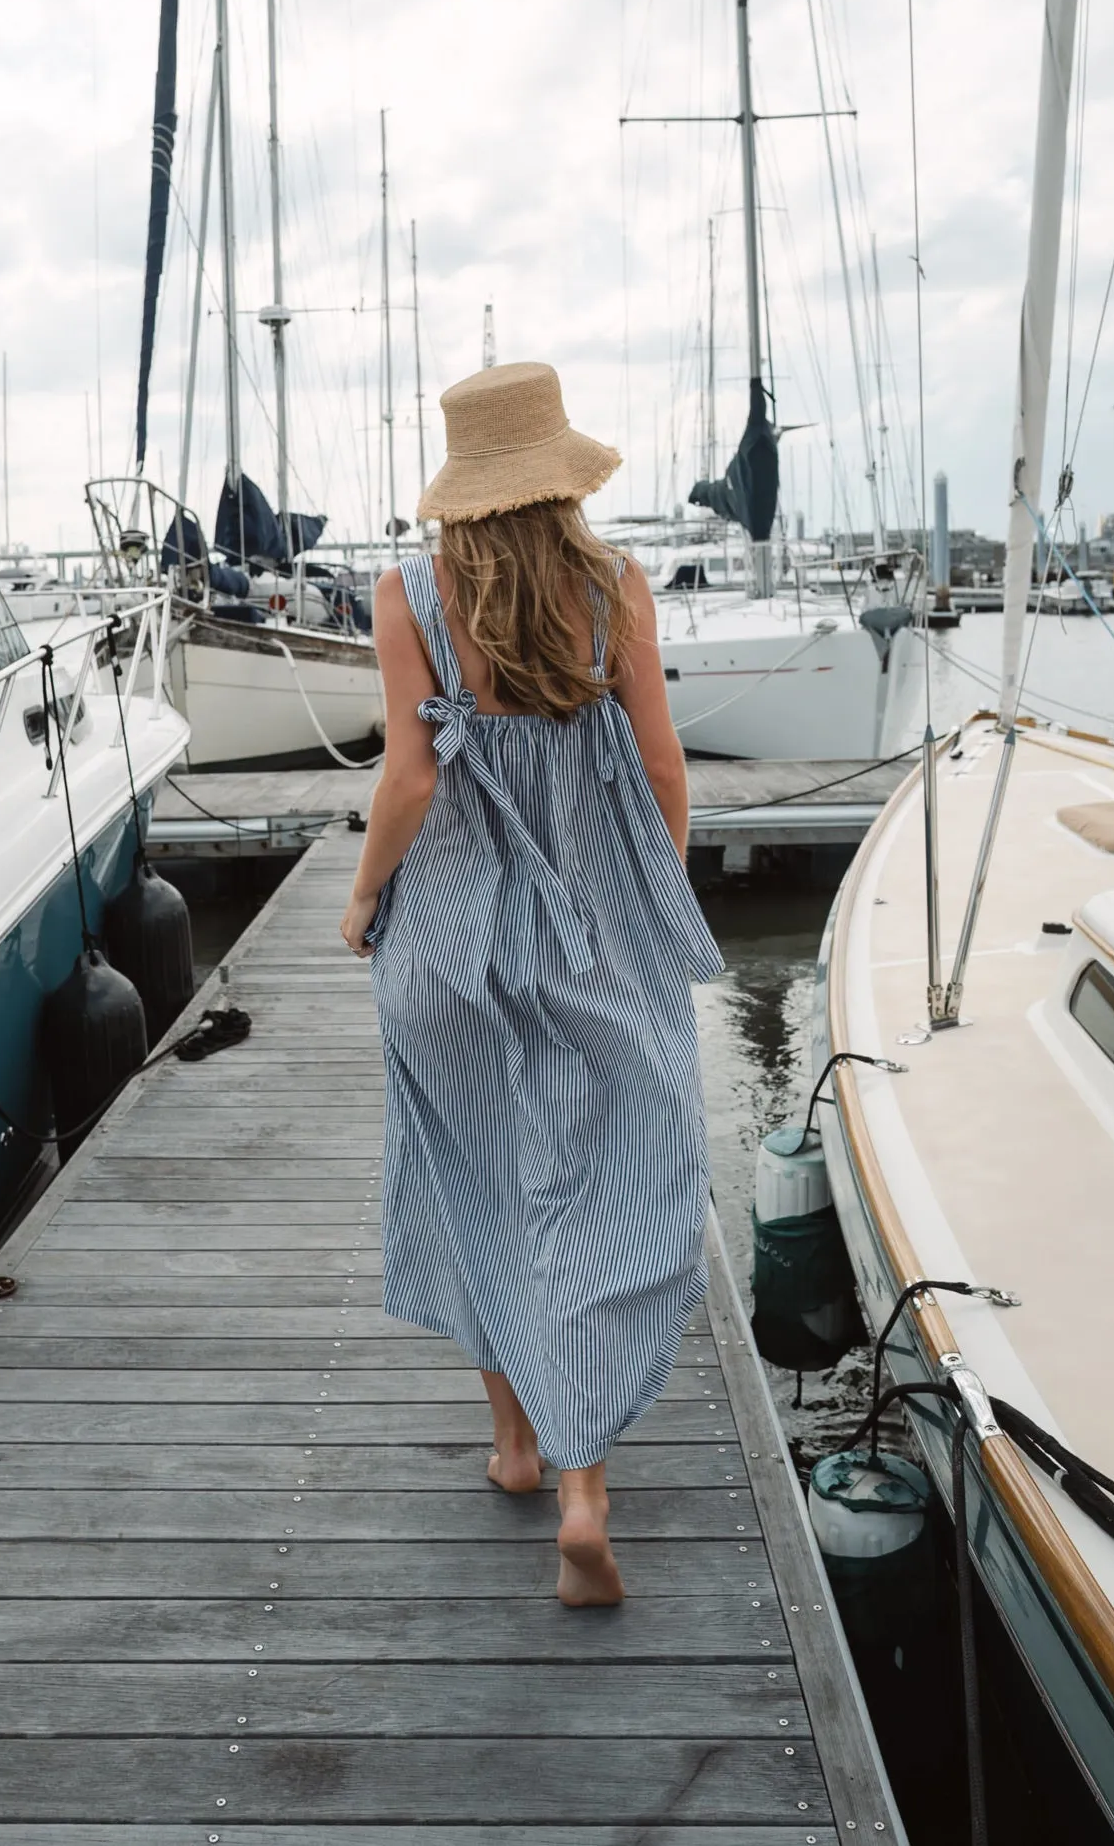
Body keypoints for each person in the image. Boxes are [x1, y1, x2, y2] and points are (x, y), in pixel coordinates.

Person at [339, 361, 722, 1606]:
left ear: (462, 487)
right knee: (603, 1190)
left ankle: (514, 1445)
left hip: (449, 939)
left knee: (478, 1179)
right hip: (592, 933)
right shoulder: (614, 588)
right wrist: (645, 900)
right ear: (559, 474)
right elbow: (664, 772)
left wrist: (360, 899)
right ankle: (583, 1489)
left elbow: (410, 781)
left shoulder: (409, 595)